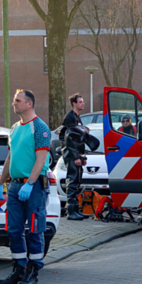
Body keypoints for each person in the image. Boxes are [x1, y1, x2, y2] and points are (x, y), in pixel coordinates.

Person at [0, 90, 52, 284]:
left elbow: (41, 159)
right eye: (14, 101)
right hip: (15, 185)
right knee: (14, 229)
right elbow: (10, 159)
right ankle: (19, 268)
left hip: (34, 187)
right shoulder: (14, 129)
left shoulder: (40, 128)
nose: (14, 104)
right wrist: (2, 183)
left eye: (18, 101)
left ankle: (33, 271)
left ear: (29, 104)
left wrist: (29, 183)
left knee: (35, 229)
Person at [60, 93, 89, 221]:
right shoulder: (71, 118)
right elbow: (70, 140)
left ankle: (76, 209)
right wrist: (76, 156)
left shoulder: (77, 117)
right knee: (72, 181)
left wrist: (83, 155)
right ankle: (71, 210)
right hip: (71, 155)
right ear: (74, 103)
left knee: (77, 181)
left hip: (76, 153)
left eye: (83, 101)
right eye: (80, 102)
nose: (83, 104)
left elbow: (79, 139)